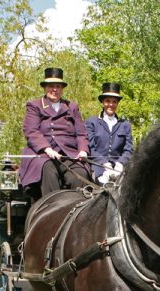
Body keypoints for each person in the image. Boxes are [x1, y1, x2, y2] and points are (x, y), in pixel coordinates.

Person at [19, 67, 90, 200]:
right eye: (51, 86)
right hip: (42, 154)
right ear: (45, 88)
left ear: (62, 89)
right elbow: (31, 130)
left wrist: (83, 150)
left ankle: (77, 213)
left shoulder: (72, 107)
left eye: (58, 86)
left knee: (80, 174)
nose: (54, 89)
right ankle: (52, 209)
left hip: (68, 154)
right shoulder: (34, 105)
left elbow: (81, 133)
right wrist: (47, 149)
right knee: (48, 171)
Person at [85, 82, 134, 184]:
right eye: (108, 101)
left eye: (114, 102)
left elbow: (128, 149)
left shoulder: (125, 125)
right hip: (97, 165)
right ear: (103, 102)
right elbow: (91, 147)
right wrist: (104, 163)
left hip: (119, 168)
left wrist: (120, 163)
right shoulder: (92, 122)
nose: (111, 105)